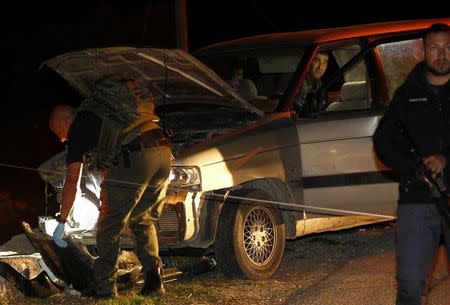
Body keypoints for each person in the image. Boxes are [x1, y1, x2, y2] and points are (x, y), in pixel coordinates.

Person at [48, 77, 172, 299]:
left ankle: (104, 288)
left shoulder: (79, 126)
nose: (60, 139)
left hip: (135, 156)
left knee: (108, 223)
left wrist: (62, 221)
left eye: (58, 131)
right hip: (162, 152)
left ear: (65, 120)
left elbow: (72, 181)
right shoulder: (106, 114)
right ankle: (155, 281)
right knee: (141, 219)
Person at [373, 23, 450, 305]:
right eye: (434, 47)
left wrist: (445, 159)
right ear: (423, 50)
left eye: (448, 47)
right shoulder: (408, 94)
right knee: (409, 282)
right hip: (417, 198)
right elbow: (383, 140)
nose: (441, 54)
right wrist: (411, 167)